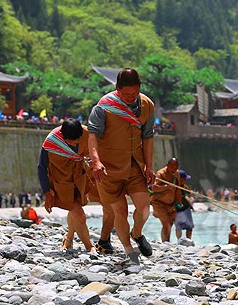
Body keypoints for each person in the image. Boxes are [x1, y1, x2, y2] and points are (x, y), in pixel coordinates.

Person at [88, 68, 154, 264]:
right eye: (126, 94)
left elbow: (148, 137)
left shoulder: (147, 105)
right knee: (120, 211)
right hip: (108, 168)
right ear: (117, 88)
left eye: (134, 93)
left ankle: (137, 232)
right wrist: (96, 162)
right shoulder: (103, 107)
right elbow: (93, 136)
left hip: (135, 165)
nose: (131, 97)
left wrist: (149, 166)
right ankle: (129, 251)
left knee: (144, 208)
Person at [37, 118, 96, 253]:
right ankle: (89, 246)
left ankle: (68, 238)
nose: (75, 143)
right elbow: (41, 167)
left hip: (79, 178)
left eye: (78, 140)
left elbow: (99, 148)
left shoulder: (88, 133)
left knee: (75, 208)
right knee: (79, 214)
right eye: (71, 142)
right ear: (63, 137)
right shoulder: (51, 142)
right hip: (61, 183)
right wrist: (47, 193)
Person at [151, 158, 182, 242]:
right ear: (167, 165)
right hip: (159, 203)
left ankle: (166, 242)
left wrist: (180, 202)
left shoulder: (177, 173)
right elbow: (154, 188)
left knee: (170, 224)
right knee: (166, 223)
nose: (174, 169)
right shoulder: (161, 174)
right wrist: (168, 187)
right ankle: (165, 243)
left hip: (171, 204)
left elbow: (178, 189)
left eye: (176, 167)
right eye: (172, 167)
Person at [174, 170, 194, 241]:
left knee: (189, 227)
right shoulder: (173, 187)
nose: (185, 180)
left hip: (186, 209)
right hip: (177, 210)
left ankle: (189, 241)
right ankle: (179, 241)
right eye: (184, 179)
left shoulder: (184, 187)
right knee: (178, 227)